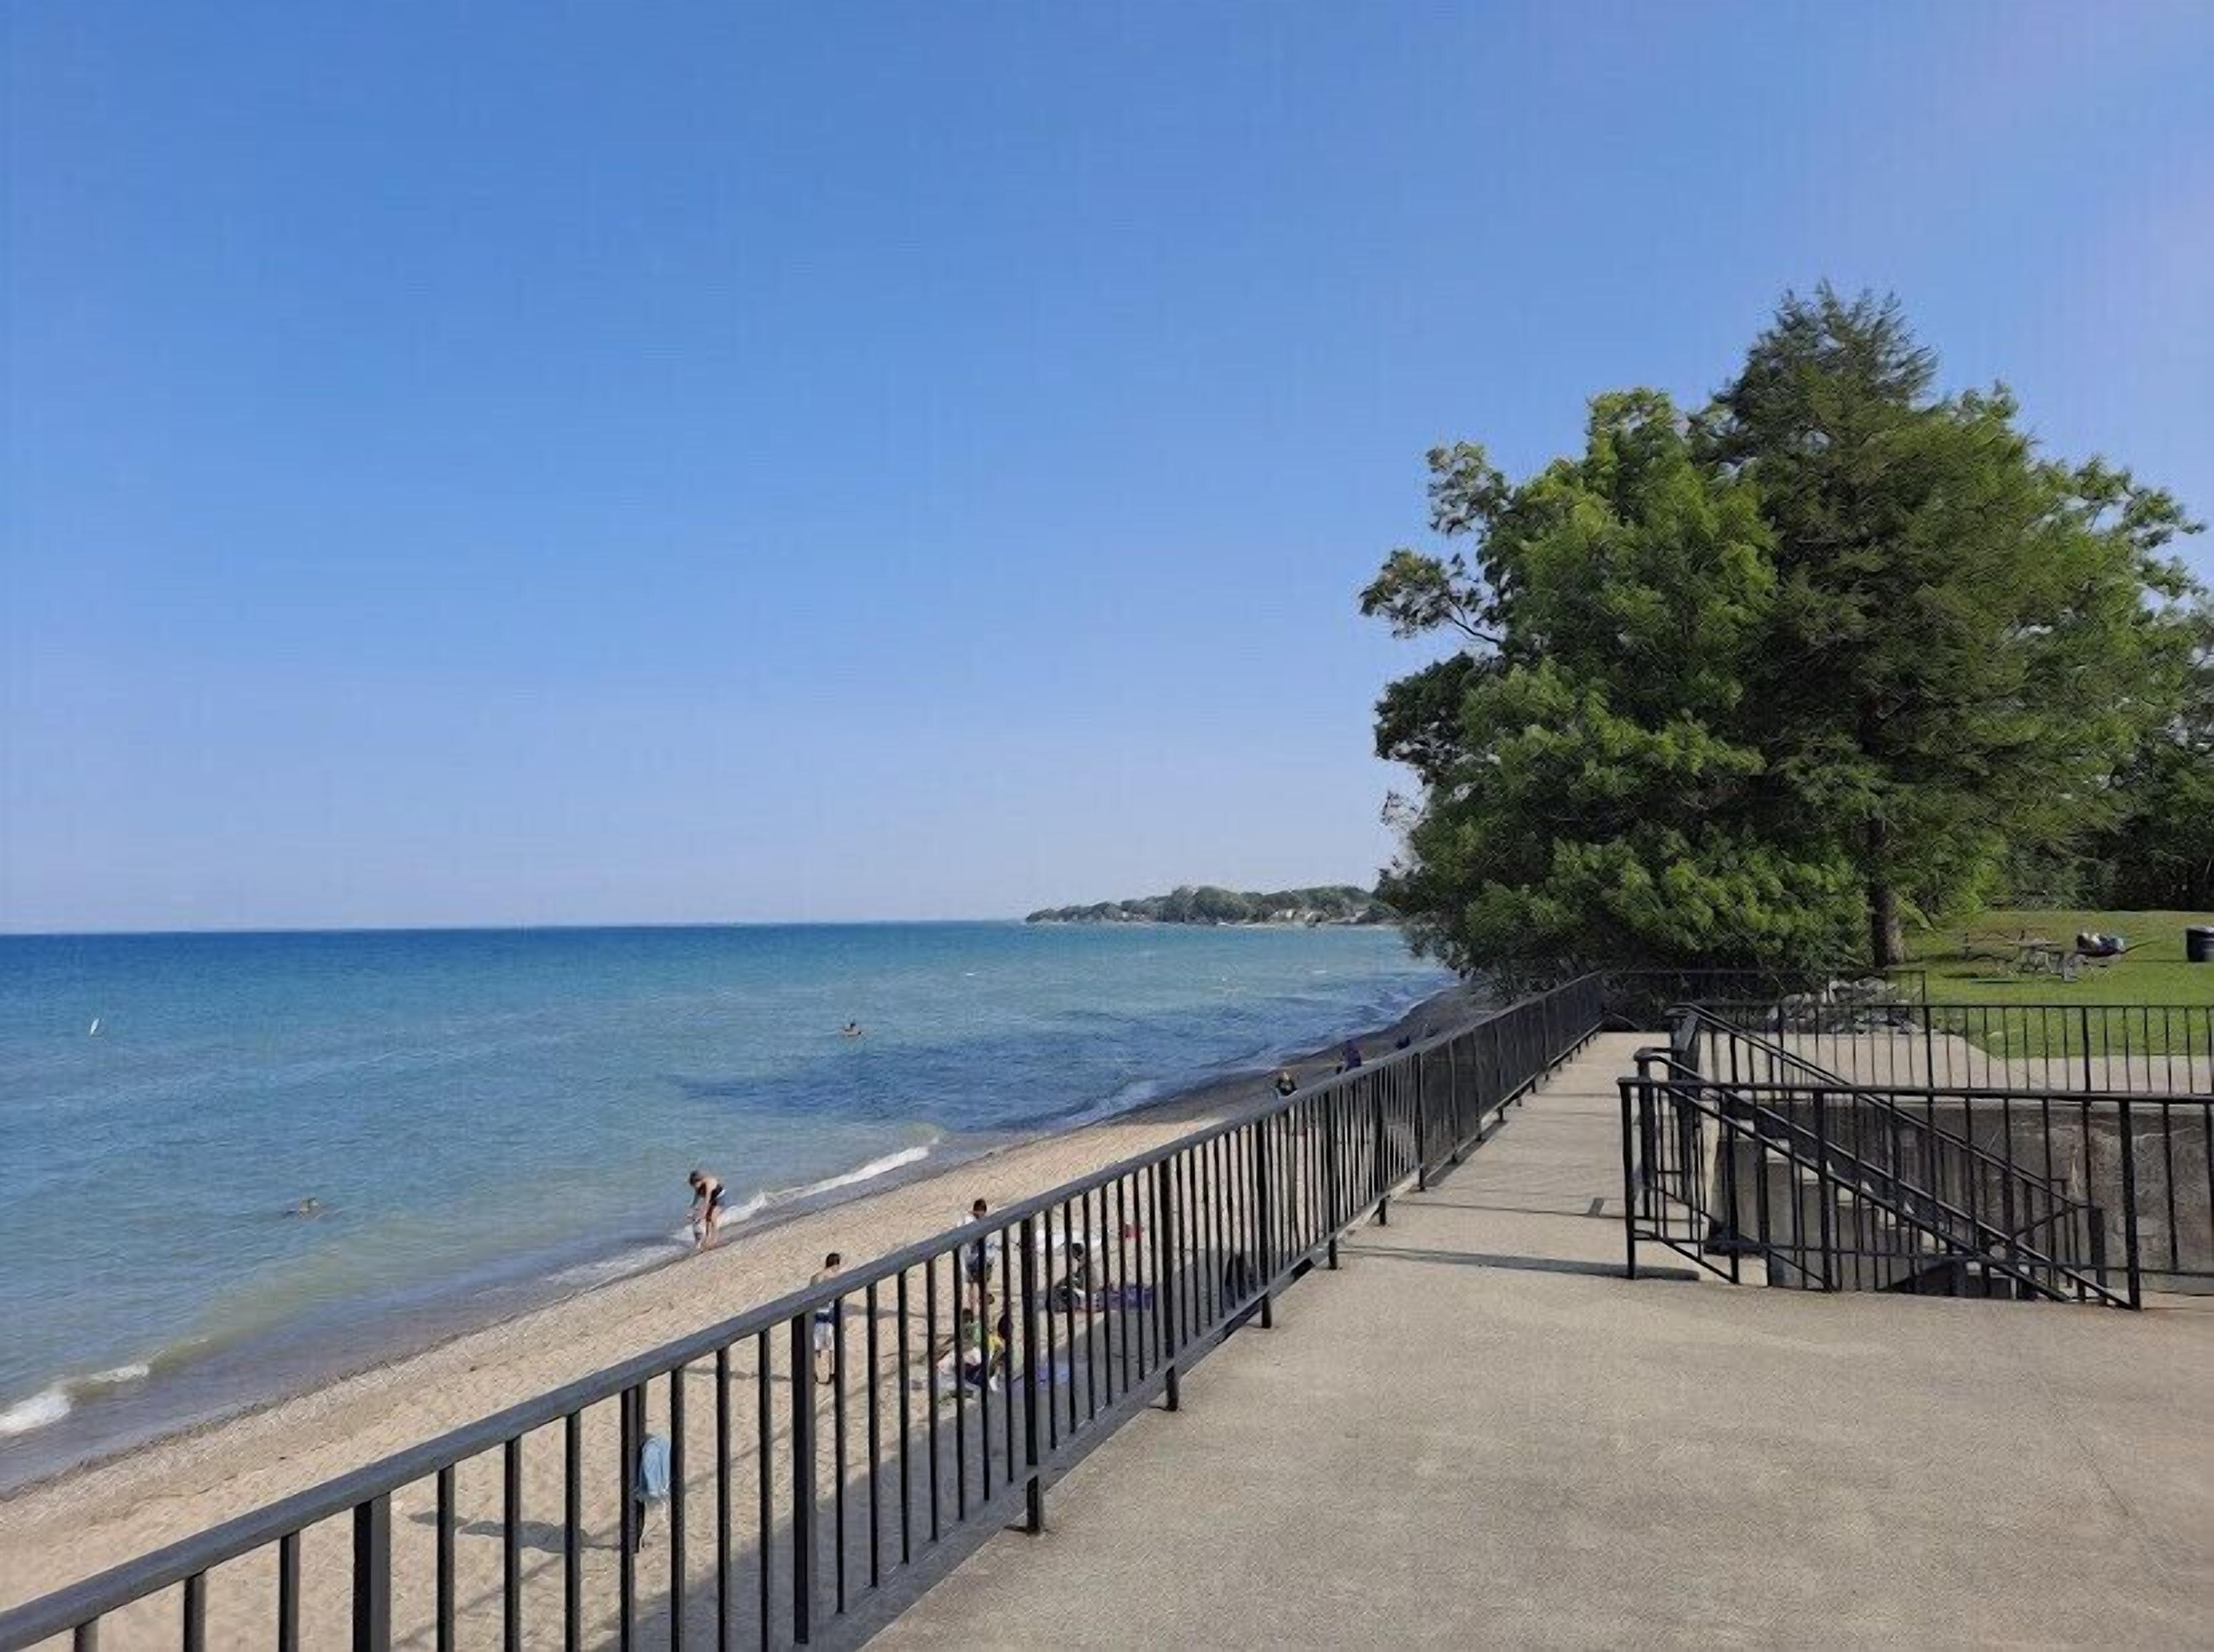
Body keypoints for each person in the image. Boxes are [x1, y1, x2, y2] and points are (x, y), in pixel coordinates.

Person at [810, 1253, 842, 1384]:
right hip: (828, 1313)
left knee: (817, 1346)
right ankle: (831, 1373)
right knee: (831, 1347)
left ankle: (815, 1373)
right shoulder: (836, 1278)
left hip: (818, 1313)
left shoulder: (816, 1277)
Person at [963, 1197, 997, 1317]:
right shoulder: (989, 1223)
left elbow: (971, 1244)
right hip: (987, 1260)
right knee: (982, 1286)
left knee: (974, 1287)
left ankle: (975, 1315)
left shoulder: (975, 1225)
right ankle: (982, 1315)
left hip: (977, 1261)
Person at [687, 1169, 727, 1252]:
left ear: (699, 1181)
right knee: (707, 1219)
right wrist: (692, 1208)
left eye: (695, 1185)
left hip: (720, 1198)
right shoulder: (698, 1187)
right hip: (713, 1199)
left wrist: (703, 1212)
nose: (694, 1187)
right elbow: (696, 1198)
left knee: (712, 1217)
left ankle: (715, 1238)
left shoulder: (709, 1183)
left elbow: (707, 1200)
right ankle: (707, 1237)